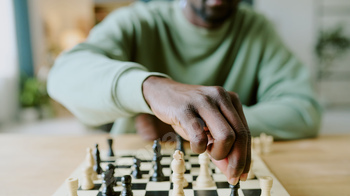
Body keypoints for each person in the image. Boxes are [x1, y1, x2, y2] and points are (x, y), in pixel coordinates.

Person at [47, 0, 322, 185]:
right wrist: (151, 91)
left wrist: (202, 124)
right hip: (133, 169)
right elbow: (62, 75)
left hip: (223, 172)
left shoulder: (257, 28)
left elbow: (303, 111)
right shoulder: (136, 20)